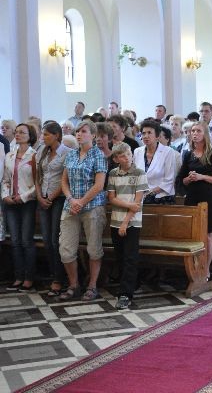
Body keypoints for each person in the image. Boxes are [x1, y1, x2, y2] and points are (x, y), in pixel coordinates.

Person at [58, 121, 108, 301]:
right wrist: (72, 200)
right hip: (70, 206)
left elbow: (99, 184)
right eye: (77, 131)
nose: (79, 134)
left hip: (92, 207)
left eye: (84, 131)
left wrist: (82, 201)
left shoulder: (98, 155)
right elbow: (64, 181)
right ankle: (74, 284)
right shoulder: (71, 155)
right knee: (65, 249)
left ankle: (92, 286)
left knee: (94, 248)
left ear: (93, 135)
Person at [178, 122, 212, 279]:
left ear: (204, 134)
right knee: (192, 234)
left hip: (208, 198)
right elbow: (181, 181)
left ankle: (206, 269)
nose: (194, 133)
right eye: (192, 131)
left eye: (198, 131)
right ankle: (194, 267)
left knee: (207, 234)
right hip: (192, 196)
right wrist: (189, 178)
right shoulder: (188, 154)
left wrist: (201, 177)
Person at [107, 142, 148, 310]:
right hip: (115, 220)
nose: (128, 157)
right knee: (120, 257)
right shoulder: (113, 173)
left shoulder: (139, 173)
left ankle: (125, 294)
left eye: (129, 154)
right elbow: (112, 198)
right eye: (123, 156)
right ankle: (131, 283)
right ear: (116, 159)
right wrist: (128, 206)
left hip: (132, 222)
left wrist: (125, 222)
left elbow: (137, 203)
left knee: (130, 257)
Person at [34, 122, 72, 296]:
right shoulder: (42, 151)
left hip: (58, 199)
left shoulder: (67, 152)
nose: (43, 137)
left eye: (47, 134)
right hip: (43, 198)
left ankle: (59, 278)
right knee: (47, 240)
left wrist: (51, 197)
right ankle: (53, 274)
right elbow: (38, 176)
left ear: (57, 135)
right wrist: (40, 196)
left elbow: (66, 179)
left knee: (55, 239)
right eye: (42, 134)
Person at [1, 123, 37, 292]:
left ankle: (29, 278)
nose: (18, 134)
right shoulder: (10, 155)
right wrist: (5, 195)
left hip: (27, 202)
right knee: (15, 241)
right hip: (11, 202)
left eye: (22, 132)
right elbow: (6, 179)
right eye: (16, 132)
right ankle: (18, 277)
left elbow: (38, 183)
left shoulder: (34, 155)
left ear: (30, 136)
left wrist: (22, 197)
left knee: (26, 241)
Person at [133, 120, 177, 205]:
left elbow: (169, 180)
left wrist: (150, 192)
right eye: (143, 133)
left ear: (157, 136)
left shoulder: (168, 152)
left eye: (149, 133)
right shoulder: (137, 151)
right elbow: (135, 175)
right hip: (141, 197)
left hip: (162, 198)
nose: (146, 136)